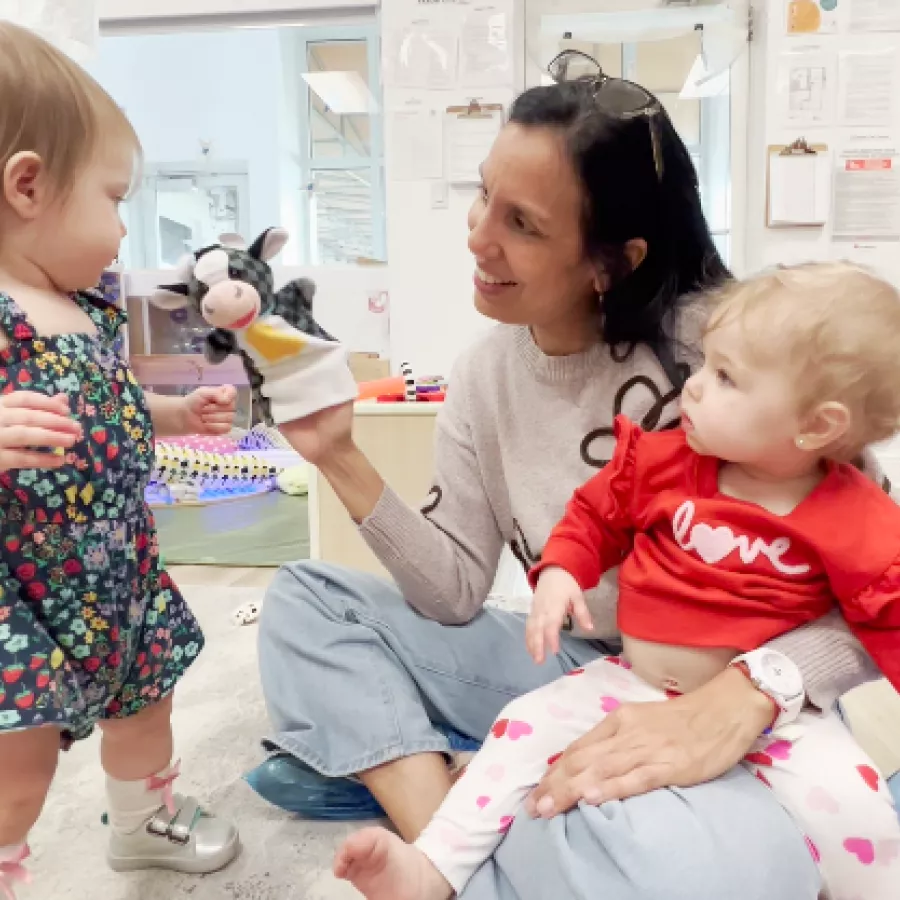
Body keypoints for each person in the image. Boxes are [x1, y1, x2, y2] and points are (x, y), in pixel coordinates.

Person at [259, 58, 874, 899]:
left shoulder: (732, 350)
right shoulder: (483, 375)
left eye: (523, 223)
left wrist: (748, 695)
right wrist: (338, 455)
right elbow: (453, 594)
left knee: (729, 869)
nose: (477, 237)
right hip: (575, 668)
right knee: (306, 602)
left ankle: (450, 804)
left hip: (728, 695)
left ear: (612, 263)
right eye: (483, 196)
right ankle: (446, 844)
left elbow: (872, 572)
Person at [333, 262, 900, 900]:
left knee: (864, 815)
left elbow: (889, 619)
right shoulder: (665, 462)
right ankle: (432, 866)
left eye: (726, 377)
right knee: (519, 731)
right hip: (632, 682)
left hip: (778, 718)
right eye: (704, 366)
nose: (695, 389)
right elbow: (594, 515)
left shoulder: (858, 518)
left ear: (817, 426)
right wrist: (559, 574)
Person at [0, 23, 240, 896]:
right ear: (28, 185)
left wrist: (180, 412)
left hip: (118, 573)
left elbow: (116, 409)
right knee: (15, 768)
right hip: (19, 592)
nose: (123, 223)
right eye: (112, 197)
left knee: (150, 704)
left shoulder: (87, 311)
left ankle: (142, 826)